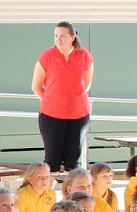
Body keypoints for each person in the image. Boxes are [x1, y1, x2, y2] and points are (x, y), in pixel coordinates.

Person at [30, 21, 94, 172]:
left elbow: (86, 85)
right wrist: (53, 101)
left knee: (73, 162)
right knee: (52, 161)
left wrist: (72, 100)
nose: (58, 39)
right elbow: (36, 87)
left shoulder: (85, 56)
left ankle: (72, 186)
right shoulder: (47, 56)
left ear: (73, 37)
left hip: (79, 114)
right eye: (56, 35)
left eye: (63, 36)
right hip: (51, 115)